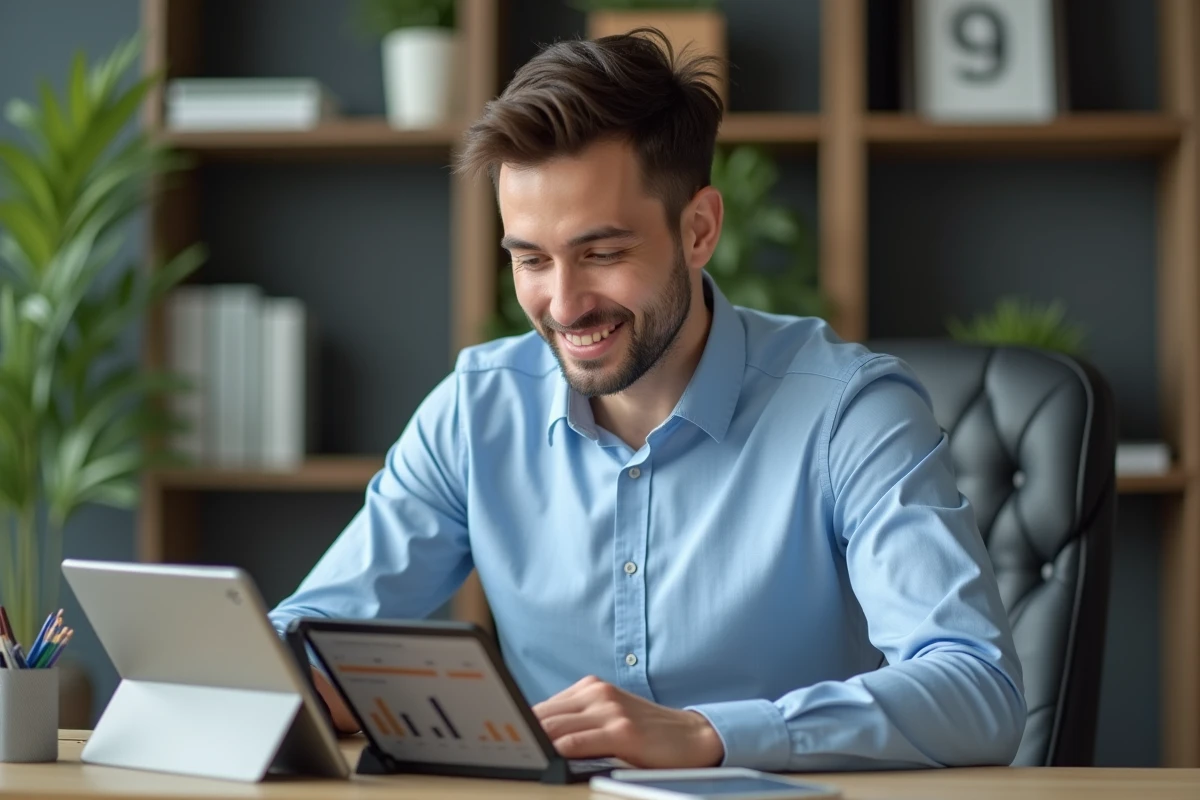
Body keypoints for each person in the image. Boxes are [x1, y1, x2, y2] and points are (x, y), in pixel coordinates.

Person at [268, 29, 1025, 771]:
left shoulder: (849, 413)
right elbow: (308, 633)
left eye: (602, 253)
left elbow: (976, 691)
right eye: (531, 259)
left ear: (698, 230)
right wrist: (316, 680)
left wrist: (708, 735)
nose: (563, 305)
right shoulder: (476, 409)